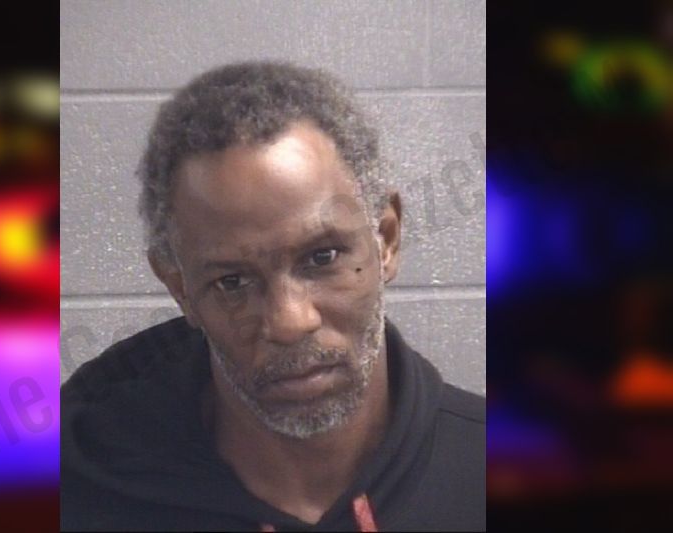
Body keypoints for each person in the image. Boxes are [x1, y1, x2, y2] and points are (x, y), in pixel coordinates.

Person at [61, 61, 485, 531]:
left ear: (385, 239)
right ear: (180, 288)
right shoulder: (79, 500)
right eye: (233, 282)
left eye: (322, 257)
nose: (289, 322)